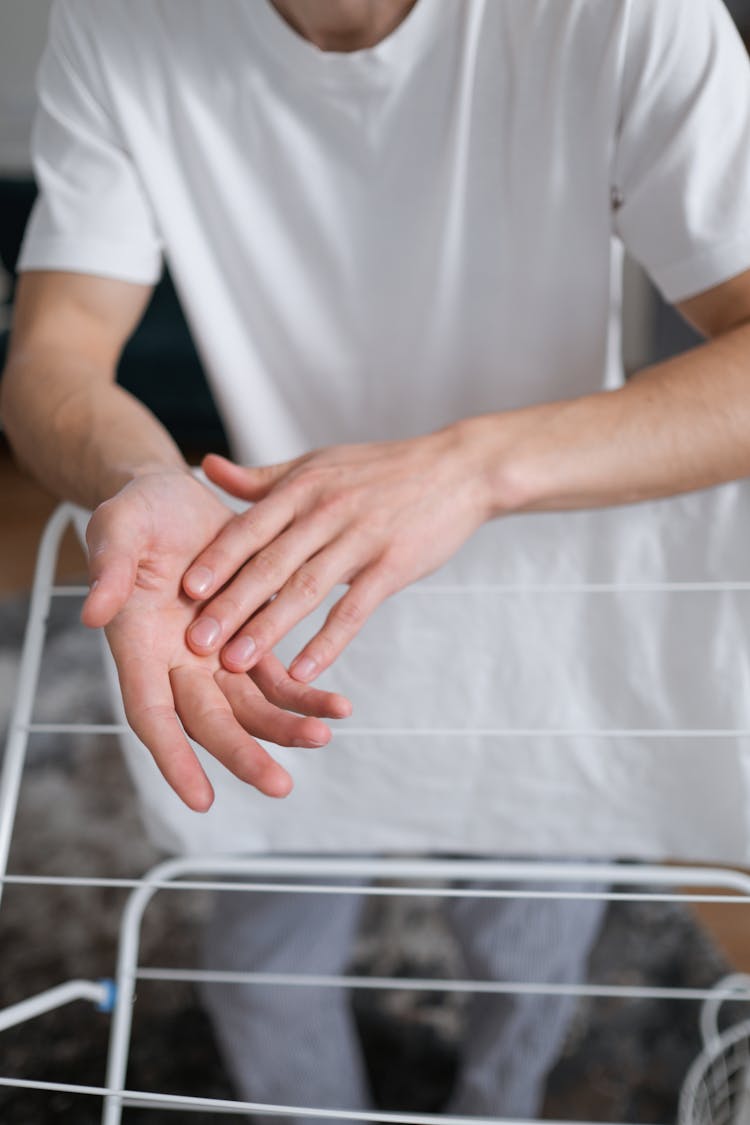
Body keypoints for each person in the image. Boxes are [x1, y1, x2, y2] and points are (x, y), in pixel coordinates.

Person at [4, 0, 750, 1117]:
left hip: (543, 601)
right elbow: (55, 350)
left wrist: (472, 468)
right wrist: (136, 477)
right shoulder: (115, 23)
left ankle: (498, 1107)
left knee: (529, 949)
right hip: (269, 606)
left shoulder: (632, 14)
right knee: (256, 971)